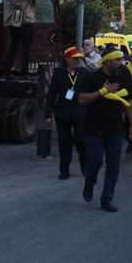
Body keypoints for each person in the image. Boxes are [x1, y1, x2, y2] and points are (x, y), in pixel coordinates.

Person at [77, 50, 132, 212]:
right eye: (117, 59)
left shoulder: (123, 78)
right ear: (107, 61)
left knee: (113, 166)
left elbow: (128, 102)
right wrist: (102, 92)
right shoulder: (92, 78)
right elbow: (81, 99)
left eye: (121, 59)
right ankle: (89, 183)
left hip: (115, 130)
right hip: (93, 128)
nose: (121, 62)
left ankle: (106, 199)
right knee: (95, 162)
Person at [45, 46, 87, 179]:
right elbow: (52, 94)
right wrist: (48, 114)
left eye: (79, 59)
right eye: (75, 59)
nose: (77, 61)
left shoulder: (84, 73)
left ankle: (84, 166)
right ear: (67, 59)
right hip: (63, 112)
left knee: (81, 139)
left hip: (80, 111)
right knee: (64, 143)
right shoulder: (59, 73)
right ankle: (64, 170)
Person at [2, 0, 42, 74]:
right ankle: (24, 70)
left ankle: (7, 68)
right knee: (26, 47)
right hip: (24, 19)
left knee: (14, 45)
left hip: (15, 16)